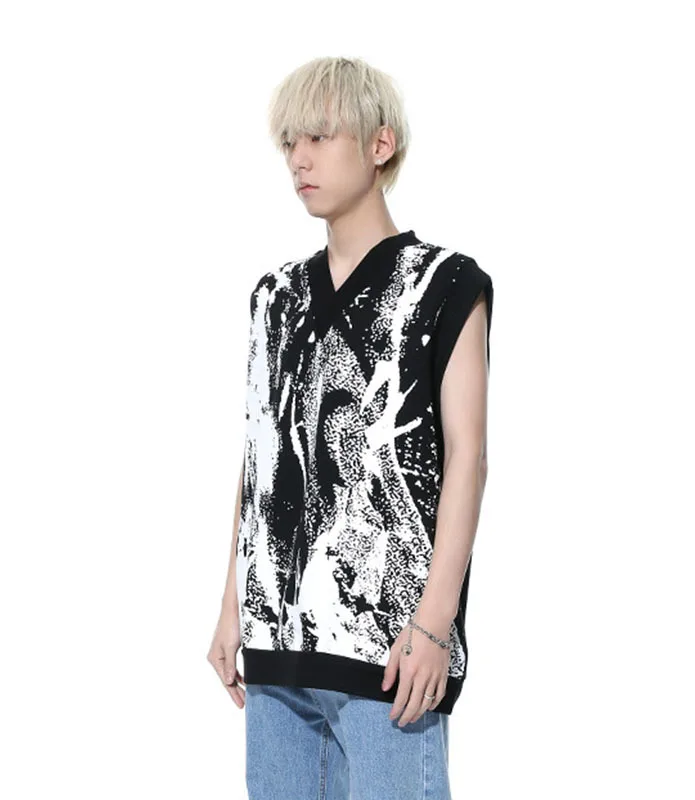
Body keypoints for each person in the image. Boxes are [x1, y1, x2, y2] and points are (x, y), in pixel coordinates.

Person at [207, 55, 493, 800]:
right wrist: (232, 607)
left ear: (379, 144)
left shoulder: (444, 285)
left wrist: (434, 625)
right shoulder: (274, 296)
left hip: (389, 656)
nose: (298, 159)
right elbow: (260, 456)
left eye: (319, 137)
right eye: (289, 142)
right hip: (276, 652)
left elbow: (467, 459)